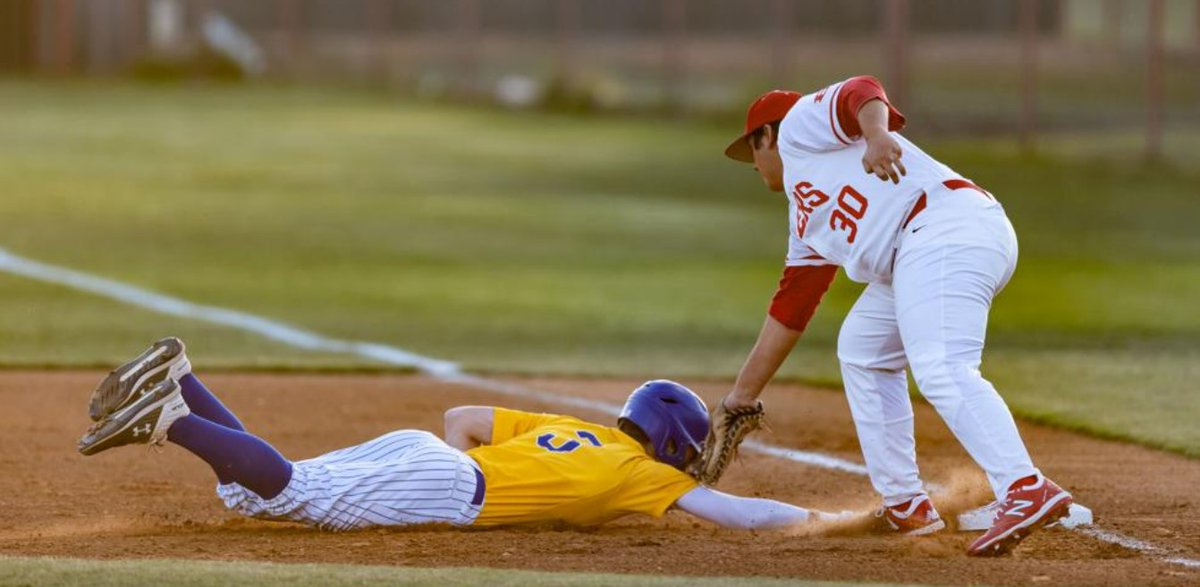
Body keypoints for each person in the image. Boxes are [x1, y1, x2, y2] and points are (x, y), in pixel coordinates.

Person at [716, 76, 1072, 556]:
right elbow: (791, 311)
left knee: (941, 366)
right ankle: (906, 504)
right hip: (918, 252)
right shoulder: (804, 221)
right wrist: (740, 398)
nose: (753, 164)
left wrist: (878, 134)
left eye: (751, 151)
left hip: (946, 227)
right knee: (862, 348)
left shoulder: (797, 126)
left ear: (766, 136)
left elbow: (861, 90)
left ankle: (1024, 486)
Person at [79, 337, 843, 531]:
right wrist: (825, 521)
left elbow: (462, 421)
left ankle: (184, 378)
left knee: (253, 497)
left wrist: (457, 470)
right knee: (297, 489)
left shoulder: (575, 429)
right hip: (445, 482)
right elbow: (739, 514)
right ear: (676, 444)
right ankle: (170, 417)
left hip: (427, 451)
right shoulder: (652, 478)